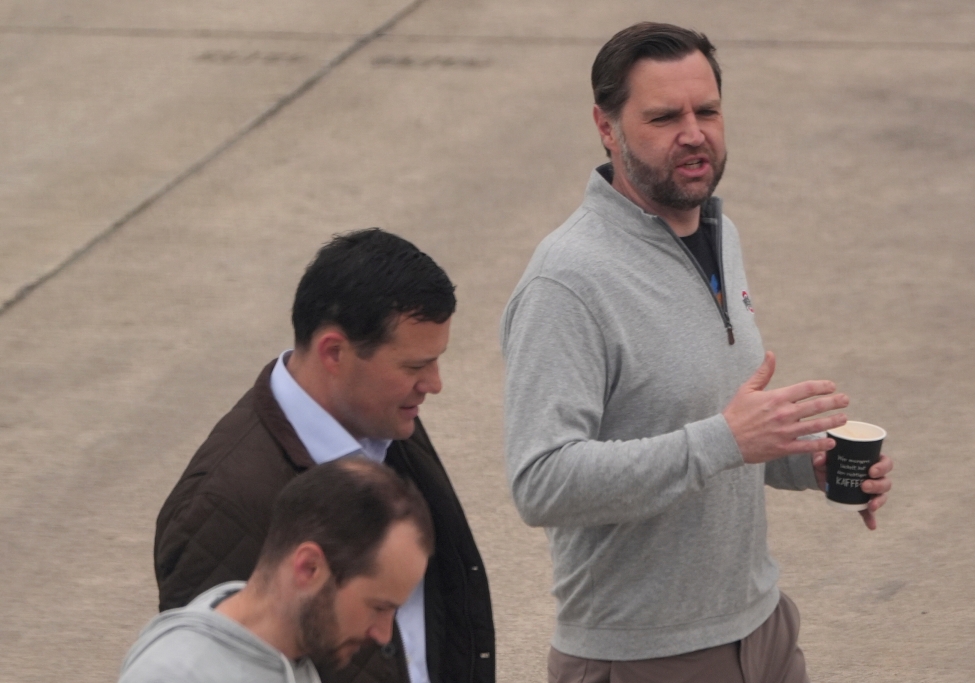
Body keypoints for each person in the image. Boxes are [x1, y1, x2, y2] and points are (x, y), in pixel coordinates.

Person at [500, 22, 894, 683]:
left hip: (763, 633)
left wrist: (809, 461)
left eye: (706, 111)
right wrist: (726, 439)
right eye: (663, 117)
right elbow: (541, 482)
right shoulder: (566, 282)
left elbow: (714, 428)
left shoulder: (719, 232)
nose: (693, 133)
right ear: (605, 127)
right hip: (642, 657)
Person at [155, 228, 494, 683]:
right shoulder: (221, 505)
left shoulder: (385, 418)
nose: (434, 384)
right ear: (334, 352)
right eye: (414, 366)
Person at [122, 459, 433, 683]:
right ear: (309, 568)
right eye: (378, 607)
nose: (383, 634)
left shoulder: (293, 654)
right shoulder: (174, 674)